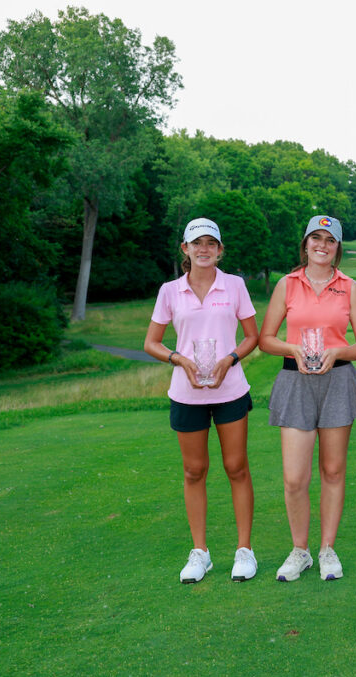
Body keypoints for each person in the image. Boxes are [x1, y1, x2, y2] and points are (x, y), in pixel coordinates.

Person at [144, 218, 260, 584]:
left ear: (220, 250)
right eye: (197, 243)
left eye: (211, 243)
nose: (204, 249)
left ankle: (244, 550)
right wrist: (179, 359)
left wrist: (230, 359)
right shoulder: (170, 291)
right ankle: (201, 553)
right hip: (186, 392)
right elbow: (151, 343)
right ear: (186, 249)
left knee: (236, 467)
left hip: (230, 389)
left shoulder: (235, 285)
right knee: (194, 471)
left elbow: (251, 336)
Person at [259, 215, 356, 582]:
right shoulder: (287, 284)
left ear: (337, 247)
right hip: (296, 381)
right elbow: (266, 339)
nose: (322, 245)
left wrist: (337, 352)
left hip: (338, 381)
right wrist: (292, 348)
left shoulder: (350, 287)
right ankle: (300, 551)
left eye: (330, 240)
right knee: (294, 478)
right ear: (305, 244)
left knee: (333, 471)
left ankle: (327, 549)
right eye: (316, 238)